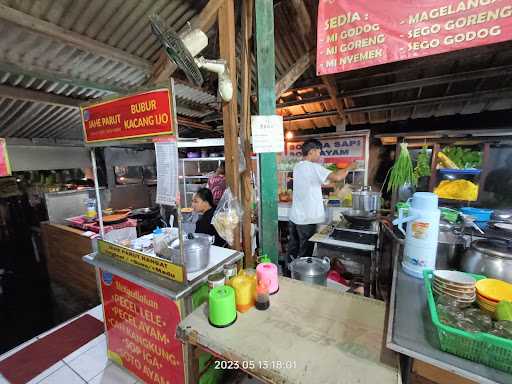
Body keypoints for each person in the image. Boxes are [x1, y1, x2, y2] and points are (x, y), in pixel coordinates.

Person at [287, 139, 352, 266]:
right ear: (312, 151)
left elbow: (323, 181)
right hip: (307, 219)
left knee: (293, 249)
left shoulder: (298, 167)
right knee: (305, 253)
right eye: (318, 152)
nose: (319, 155)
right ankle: (301, 280)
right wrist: (350, 167)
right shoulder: (313, 167)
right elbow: (338, 177)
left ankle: (288, 273)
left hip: (296, 217)